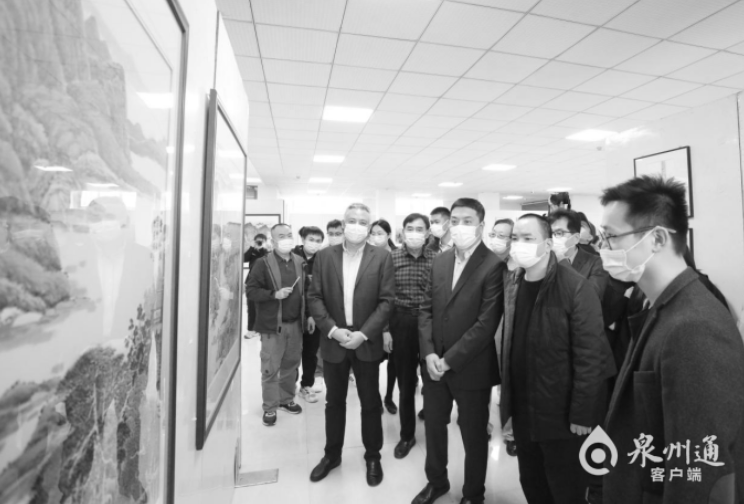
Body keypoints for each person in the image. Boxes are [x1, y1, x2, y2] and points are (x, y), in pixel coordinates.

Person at [599, 175, 744, 504]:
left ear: (657, 238)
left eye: (610, 237)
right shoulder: (660, 306)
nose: (603, 249)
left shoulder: (694, 326)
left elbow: (701, 467)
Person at [501, 214, 613, 504]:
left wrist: (582, 413)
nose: (519, 244)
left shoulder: (575, 286)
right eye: (515, 238)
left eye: (528, 238)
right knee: (532, 482)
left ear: (548, 244)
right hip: (524, 409)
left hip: (560, 413)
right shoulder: (514, 283)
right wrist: (508, 406)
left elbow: (590, 355)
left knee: (564, 488)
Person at [413, 198, 505, 504]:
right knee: (434, 427)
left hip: (471, 366)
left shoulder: (493, 265)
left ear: (481, 225)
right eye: (455, 220)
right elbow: (426, 308)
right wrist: (429, 353)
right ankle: (436, 482)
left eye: (467, 221)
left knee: (473, 434)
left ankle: (473, 494)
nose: (459, 226)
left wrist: (449, 360)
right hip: (434, 364)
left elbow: (486, 323)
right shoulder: (440, 260)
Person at [308, 203, 395, 487]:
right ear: (343, 224)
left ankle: (373, 456)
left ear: (369, 227)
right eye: (352, 220)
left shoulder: (381, 257)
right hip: (334, 340)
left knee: (370, 403)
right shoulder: (324, 256)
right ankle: (332, 455)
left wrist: (364, 334)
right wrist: (333, 331)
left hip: (365, 342)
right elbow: (314, 297)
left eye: (363, 222)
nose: (357, 226)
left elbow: (387, 301)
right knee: (334, 402)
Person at [245, 224, 306, 427]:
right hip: (273, 325)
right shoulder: (262, 263)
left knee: (291, 364)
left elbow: (307, 291)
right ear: (273, 240)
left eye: (289, 235)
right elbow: (251, 290)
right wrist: (274, 294)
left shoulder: (299, 261)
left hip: (295, 324)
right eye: (281, 236)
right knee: (270, 367)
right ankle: (270, 406)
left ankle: (286, 399)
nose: (286, 239)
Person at [389, 213, 435, 460]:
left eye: (419, 229)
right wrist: (385, 330)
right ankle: (407, 435)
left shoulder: (439, 259)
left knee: (433, 379)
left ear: (427, 233)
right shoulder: (391, 258)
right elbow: (384, 296)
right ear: (403, 231)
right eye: (410, 228)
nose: (414, 233)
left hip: (430, 322)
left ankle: (434, 427)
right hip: (402, 320)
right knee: (406, 382)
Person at [486, 217, 517, 456]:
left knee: (509, 383)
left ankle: (510, 433)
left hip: (509, 330)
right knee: (483, 382)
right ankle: (482, 424)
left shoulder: (518, 266)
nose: (497, 239)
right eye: (494, 234)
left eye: (503, 236)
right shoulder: (484, 263)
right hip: (484, 329)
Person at [293, 226, 325, 404]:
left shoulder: (323, 260)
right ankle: (288, 386)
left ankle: (306, 385)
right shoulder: (291, 257)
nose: (314, 243)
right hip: (293, 315)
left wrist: (313, 315)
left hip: (315, 315)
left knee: (311, 352)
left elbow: (321, 290)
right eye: (311, 239)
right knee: (291, 353)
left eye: (318, 241)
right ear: (303, 239)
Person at [369, 219, 398, 414]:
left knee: (394, 362)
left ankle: (389, 397)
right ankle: (375, 398)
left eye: (380, 233)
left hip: (396, 316)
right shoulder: (368, 255)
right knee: (372, 361)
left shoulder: (397, 255)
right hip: (374, 316)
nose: (376, 237)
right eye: (373, 233)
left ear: (389, 234)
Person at [549, 209, 608, 297]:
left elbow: (591, 296)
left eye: (559, 233)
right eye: (550, 234)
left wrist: (562, 260)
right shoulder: (545, 260)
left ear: (576, 238)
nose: (553, 238)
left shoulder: (596, 263)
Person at [244, 233, 269, 337]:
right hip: (252, 282)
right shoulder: (252, 251)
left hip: (264, 283)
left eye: (261, 241)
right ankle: (251, 329)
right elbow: (244, 259)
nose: (259, 243)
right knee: (251, 307)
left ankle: (261, 329)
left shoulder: (267, 252)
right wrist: (251, 247)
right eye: (258, 241)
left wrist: (263, 249)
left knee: (263, 307)